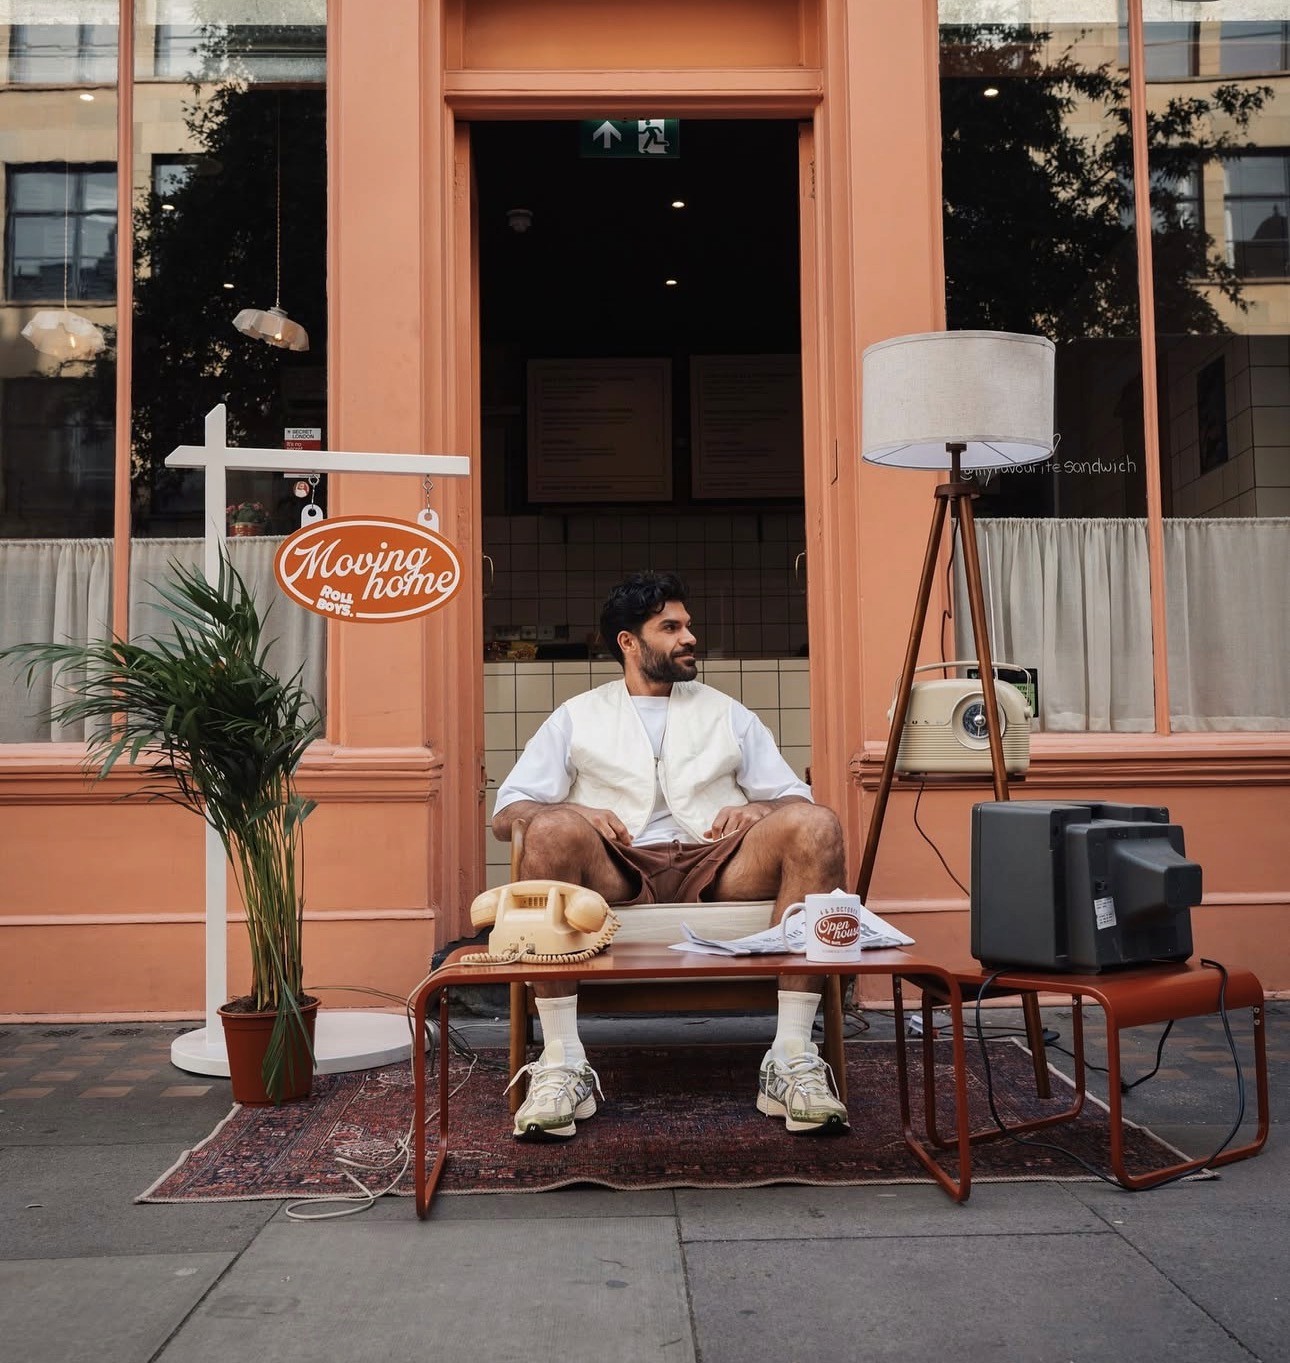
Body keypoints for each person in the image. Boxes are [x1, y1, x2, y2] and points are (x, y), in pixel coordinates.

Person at [491, 570, 848, 1141]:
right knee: (550, 826)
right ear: (629, 642)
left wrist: (759, 812)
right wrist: (578, 814)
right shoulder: (578, 715)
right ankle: (562, 1063)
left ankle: (791, 1057)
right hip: (618, 864)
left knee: (817, 824)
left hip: (719, 861)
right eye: (671, 627)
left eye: (689, 626)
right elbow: (506, 813)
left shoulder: (726, 711)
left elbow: (792, 796)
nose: (690, 638)